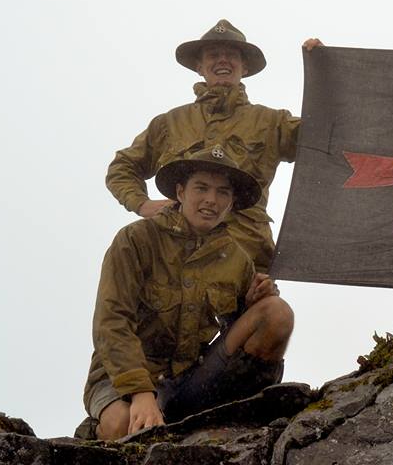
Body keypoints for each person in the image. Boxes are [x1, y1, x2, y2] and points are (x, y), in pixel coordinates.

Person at [81, 146, 294, 441]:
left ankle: (244, 411)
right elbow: (111, 323)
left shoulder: (236, 259)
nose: (211, 200)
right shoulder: (135, 240)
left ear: (231, 203)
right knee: (123, 426)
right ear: (180, 192)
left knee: (276, 311)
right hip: (123, 380)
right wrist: (141, 393)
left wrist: (261, 297)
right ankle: (95, 433)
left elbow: (247, 331)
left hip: (190, 381)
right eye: (201, 188)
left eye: (222, 193)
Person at [106, 19, 300, 273]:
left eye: (231, 55)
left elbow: (329, 138)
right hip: (174, 258)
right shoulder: (170, 123)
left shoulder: (273, 122)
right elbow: (123, 166)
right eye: (213, 55)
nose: (222, 60)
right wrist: (141, 203)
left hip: (246, 257)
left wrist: (324, 69)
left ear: (245, 66)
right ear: (199, 66)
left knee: (274, 313)